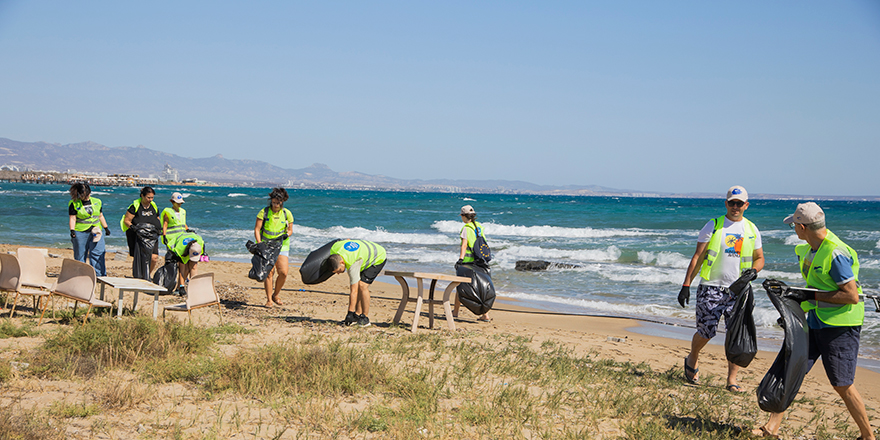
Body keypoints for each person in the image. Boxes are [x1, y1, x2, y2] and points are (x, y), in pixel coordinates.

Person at [752, 202, 874, 439]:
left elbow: (851, 295)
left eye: (794, 226)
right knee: (792, 370)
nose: (794, 230)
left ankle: (868, 435)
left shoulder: (835, 253)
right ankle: (771, 428)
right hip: (815, 321)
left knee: (842, 384)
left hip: (840, 326)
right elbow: (814, 288)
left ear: (803, 227)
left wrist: (808, 297)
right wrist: (793, 307)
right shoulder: (811, 249)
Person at [678, 185, 764, 392]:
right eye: (732, 203)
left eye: (739, 203)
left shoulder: (751, 229)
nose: (735, 207)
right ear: (726, 204)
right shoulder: (714, 225)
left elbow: (760, 258)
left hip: (739, 291)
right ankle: (693, 357)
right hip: (711, 288)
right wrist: (686, 284)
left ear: (746, 205)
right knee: (706, 332)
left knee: (735, 336)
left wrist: (754, 271)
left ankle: (731, 380)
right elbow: (698, 257)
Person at [327, 239, 387, 327]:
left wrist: (349, 313)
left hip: (378, 256)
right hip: (363, 253)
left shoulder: (352, 264)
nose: (338, 273)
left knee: (362, 285)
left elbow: (353, 291)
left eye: (339, 270)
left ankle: (365, 318)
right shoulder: (334, 249)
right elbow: (347, 240)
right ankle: (357, 315)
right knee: (358, 284)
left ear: (342, 262)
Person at [254, 188, 294, 307]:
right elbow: (257, 229)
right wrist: (260, 244)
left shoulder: (287, 213)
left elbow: (290, 230)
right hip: (266, 246)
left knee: (283, 272)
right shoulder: (264, 212)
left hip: (282, 246)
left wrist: (287, 235)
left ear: (283, 201)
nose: (276, 205)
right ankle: (269, 300)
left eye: (278, 202)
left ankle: (275, 295)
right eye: (274, 202)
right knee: (269, 273)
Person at [454, 204, 490, 322]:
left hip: (468, 262)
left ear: (464, 216)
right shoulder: (479, 227)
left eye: (462, 216)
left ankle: (455, 312)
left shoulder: (466, 228)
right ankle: (485, 315)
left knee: (461, 286)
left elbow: (464, 245)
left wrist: (460, 259)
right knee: (481, 288)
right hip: (480, 261)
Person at [67, 182, 110, 277]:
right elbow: (72, 218)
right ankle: (80, 275)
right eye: (83, 195)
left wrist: (106, 227)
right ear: (79, 194)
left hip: (96, 231)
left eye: (87, 195)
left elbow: (100, 215)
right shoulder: (74, 203)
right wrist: (72, 230)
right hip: (80, 232)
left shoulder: (97, 201)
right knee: (80, 255)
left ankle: (99, 275)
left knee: (98, 252)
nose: (86, 197)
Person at [122, 186, 161, 278]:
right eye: (148, 197)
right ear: (142, 196)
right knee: (141, 258)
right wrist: (133, 228)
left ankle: (147, 275)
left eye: (152, 197)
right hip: (139, 236)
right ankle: (139, 275)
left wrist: (160, 229)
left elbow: (157, 218)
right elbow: (127, 220)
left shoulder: (153, 206)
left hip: (152, 236)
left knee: (154, 257)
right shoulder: (135, 206)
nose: (150, 200)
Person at [162, 192, 191, 292]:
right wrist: (164, 235)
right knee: (176, 263)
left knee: (183, 262)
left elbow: (183, 223)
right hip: (172, 240)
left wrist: (188, 230)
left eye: (180, 203)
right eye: (177, 203)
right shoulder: (168, 212)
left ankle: (180, 285)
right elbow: (165, 224)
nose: (179, 205)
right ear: (172, 201)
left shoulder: (183, 212)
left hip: (182, 239)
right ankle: (173, 284)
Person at [167, 231, 205, 296]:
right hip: (180, 248)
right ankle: (179, 288)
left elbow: (194, 268)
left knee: (193, 267)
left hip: (192, 248)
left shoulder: (200, 244)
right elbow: (181, 271)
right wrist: (182, 286)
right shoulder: (180, 249)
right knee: (185, 268)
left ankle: (194, 288)